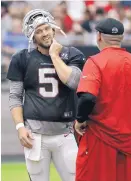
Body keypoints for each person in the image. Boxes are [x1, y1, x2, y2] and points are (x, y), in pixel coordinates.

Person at [7, 9, 85, 181]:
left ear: (53, 28)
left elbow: (75, 82)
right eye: (39, 31)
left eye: (46, 28)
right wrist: (20, 127)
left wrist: (54, 56)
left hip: (65, 133)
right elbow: (15, 96)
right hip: (35, 135)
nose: (44, 33)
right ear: (32, 36)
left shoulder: (71, 54)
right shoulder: (22, 58)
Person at [75, 18, 131, 181]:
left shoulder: (95, 62)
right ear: (121, 37)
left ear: (99, 36)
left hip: (98, 138)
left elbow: (88, 97)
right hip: (125, 142)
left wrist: (80, 119)